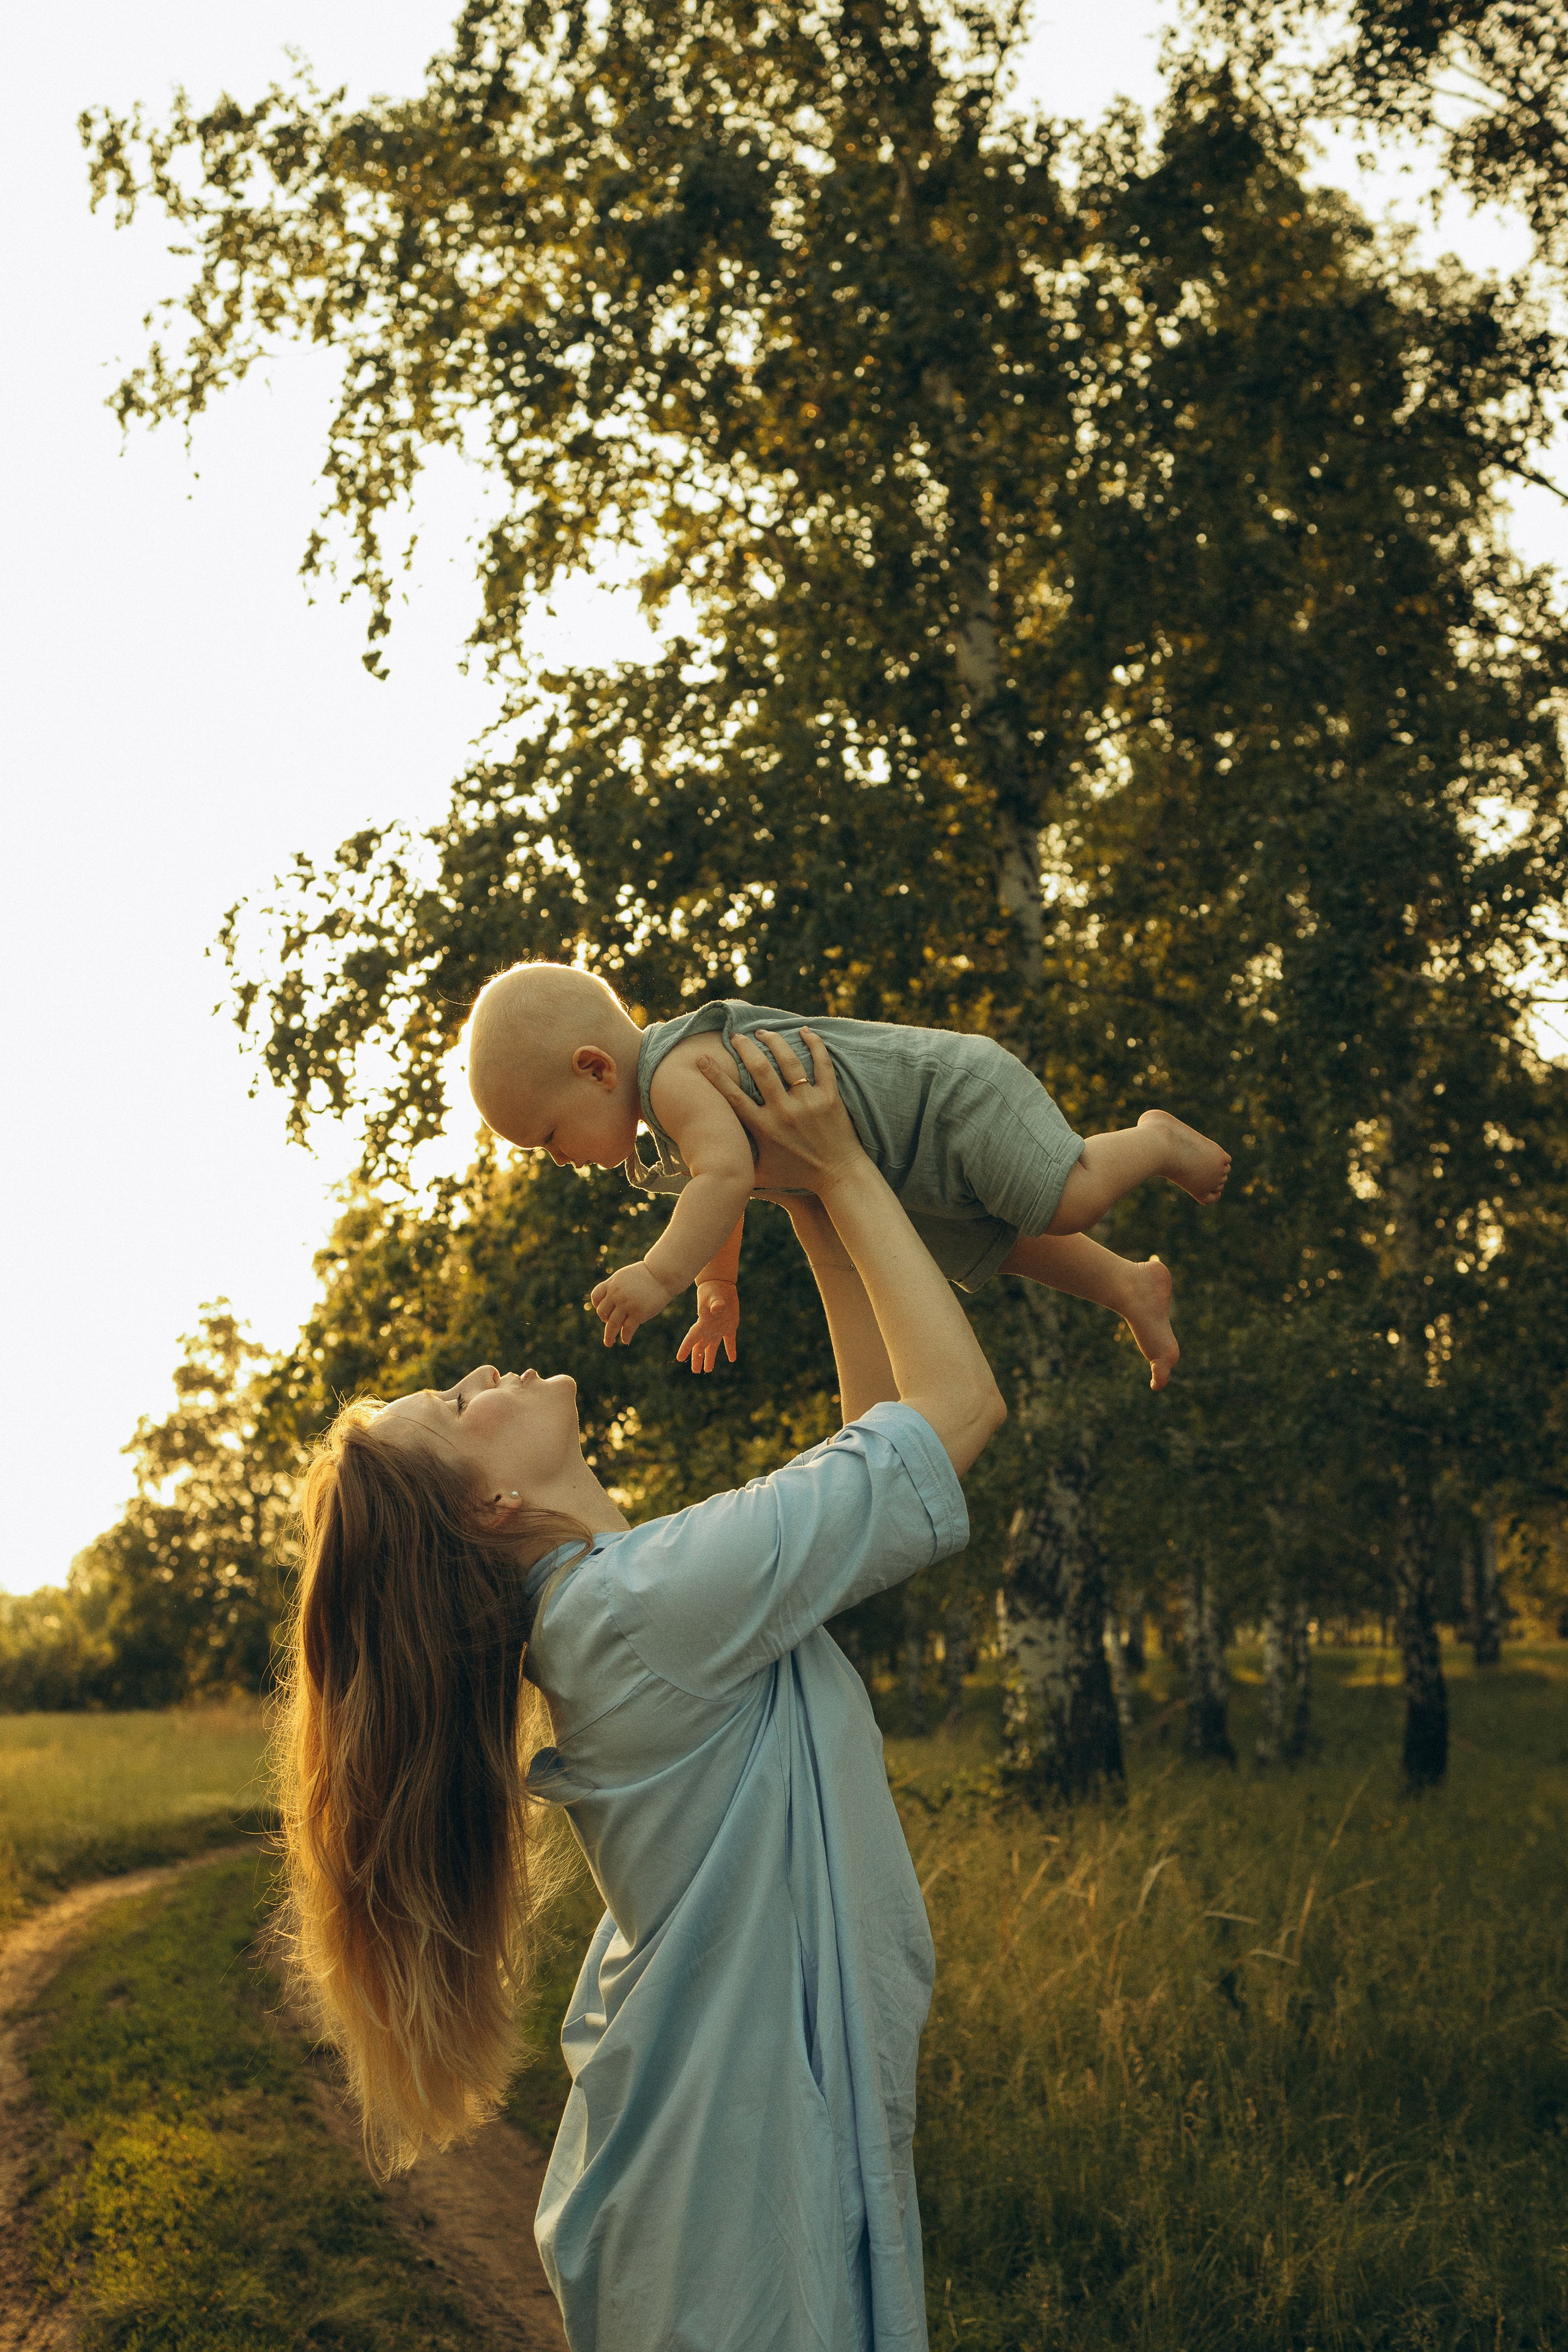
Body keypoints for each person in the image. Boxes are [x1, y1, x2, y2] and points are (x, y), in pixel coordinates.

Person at [276, 1025, 1007, 2351]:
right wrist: (843, 1170)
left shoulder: (628, 1603)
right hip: (717, 2209)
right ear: (492, 1503)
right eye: (457, 1399)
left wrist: (798, 1197)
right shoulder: (640, 1609)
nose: (486, 1373)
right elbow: (951, 1414)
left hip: (704, 2181)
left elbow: (869, 1438)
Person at [466, 962, 1231, 1392]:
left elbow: (724, 1179)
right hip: (900, 1163)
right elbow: (720, 1189)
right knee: (1004, 1244)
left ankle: (1153, 1140)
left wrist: (659, 1275)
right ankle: (1129, 1287)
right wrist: (717, 1288)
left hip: (942, 1100)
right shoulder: (670, 1115)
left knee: (1068, 1199)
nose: (561, 1160)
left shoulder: (673, 1072)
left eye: (549, 1139)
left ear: (594, 1069)